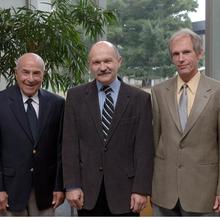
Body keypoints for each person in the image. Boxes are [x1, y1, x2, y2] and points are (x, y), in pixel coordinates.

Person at [62, 41, 154, 216]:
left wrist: (141, 189)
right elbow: (70, 145)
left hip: (126, 193)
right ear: (90, 65)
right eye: (96, 62)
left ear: (119, 61)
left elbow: (144, 149)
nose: (102, 67)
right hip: (87, 193)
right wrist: (72, 185)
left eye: (108, 61)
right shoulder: (75, 97)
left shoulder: (140, 99)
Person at [151, 28, 220, 216]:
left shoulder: (217, 91)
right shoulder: (158, 92)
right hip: (164, 192)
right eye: (175, 54)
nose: (180, 58)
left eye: (186, 52)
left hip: (203, 192)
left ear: (199, 53)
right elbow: (155, 140)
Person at [0, 53, 65, 216]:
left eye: (36, 73)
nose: (30, 78)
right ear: (16, 73)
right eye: (25, 72)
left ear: (43, 74)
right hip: (9, 191)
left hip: (46, 192)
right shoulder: (1, 102)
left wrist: (59, 186)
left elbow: (61, 149)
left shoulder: (57, 104)